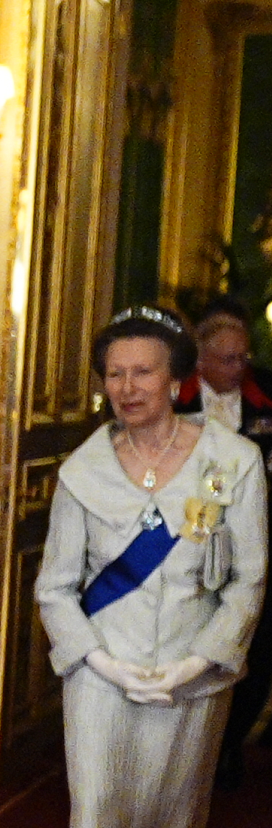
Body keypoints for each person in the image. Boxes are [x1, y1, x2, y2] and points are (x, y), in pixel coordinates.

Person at [35, 307, 266, 828]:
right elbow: (55, 587)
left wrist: (197, 659)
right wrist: (98, 662)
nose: (128, 387)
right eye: (115, 374)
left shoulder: (233, 461)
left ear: (175, 378)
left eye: (142, 372)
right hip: (102, 680)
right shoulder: (84, 472)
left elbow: (249, 578)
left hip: (191, 684)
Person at [174, 300, 272, 789]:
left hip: (256, 537)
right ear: (201, 361)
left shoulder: (266, 399)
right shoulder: (174, 401)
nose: (238, 368)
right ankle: (190, 746)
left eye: (243, 358)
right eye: (227, 359)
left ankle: (228, 742)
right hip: (188, 542)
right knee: (193, 639)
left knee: (256, 648)